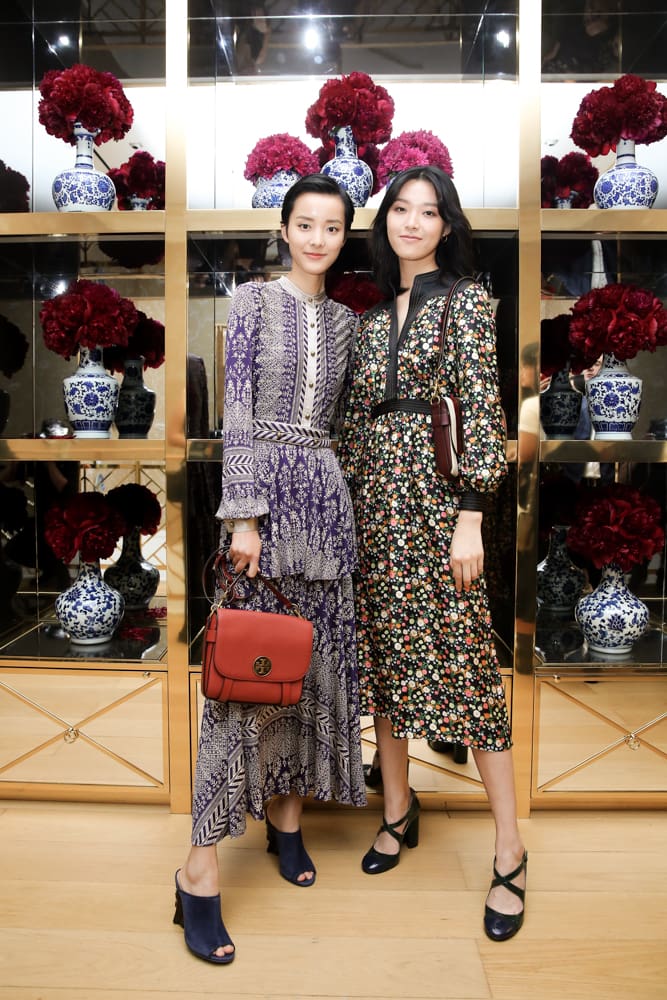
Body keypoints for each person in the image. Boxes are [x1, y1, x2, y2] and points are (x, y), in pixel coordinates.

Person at [174, 174, 366, 964]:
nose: (318, 238)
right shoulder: (251, 302)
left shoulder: (348, 322)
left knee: (309, 674)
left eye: (332, 227)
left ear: (344, 237)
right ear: (284, 229)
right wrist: (243, 518)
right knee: (242, 686)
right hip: (265, 510)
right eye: (305, 224)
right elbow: (239, 413)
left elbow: (347, 425)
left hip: (327, 503)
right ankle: (198, 870)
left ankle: (288, 820)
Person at [337, 165, 527, 942]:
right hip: (374, 510)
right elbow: (354, 424)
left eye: (427, 211)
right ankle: (396, 810)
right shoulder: (369, 319)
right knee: (386, 663)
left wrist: (470, 515)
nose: (411, 222)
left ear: (446, 225)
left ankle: (509, 850)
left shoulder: (467, 301)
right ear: (384, 221)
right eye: (400, 209)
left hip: (440, 507)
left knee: (467, 670)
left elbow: (481, 408)